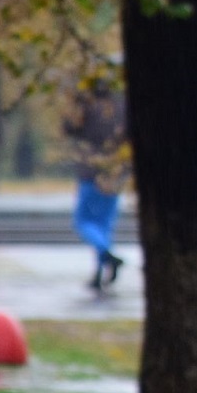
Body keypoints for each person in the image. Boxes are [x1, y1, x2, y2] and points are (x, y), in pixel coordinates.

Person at [63, 67, 130, 292]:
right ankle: (101, 268)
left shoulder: (87, 105)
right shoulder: (122, 105)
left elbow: (69, 128)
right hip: (115, 172)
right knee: (104, 223)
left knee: (84, 221)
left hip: (90, 172)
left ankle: (106, 255)